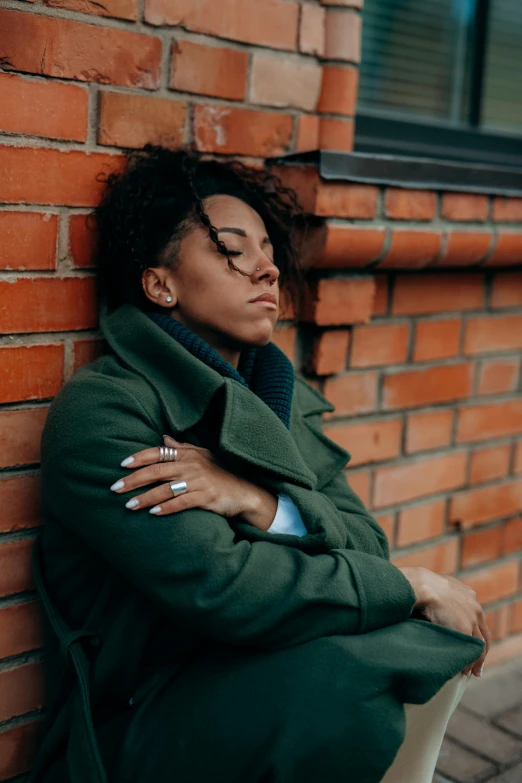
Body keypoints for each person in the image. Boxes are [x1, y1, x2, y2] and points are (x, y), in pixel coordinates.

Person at [32, 145, 489, 783]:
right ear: (160, 283)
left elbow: (368, 544)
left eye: (270, 253)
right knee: (354, 676)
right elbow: (226, 590)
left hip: (257, 669)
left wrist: (260, 501)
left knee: (425, 648)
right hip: (146, 717)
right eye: (232, 249)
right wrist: (414, 585)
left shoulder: (281, 396)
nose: (266, 270)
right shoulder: (107, 412)